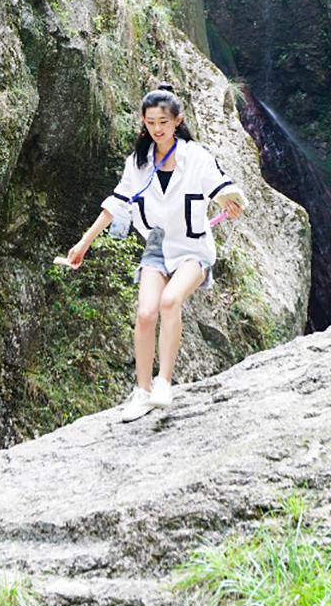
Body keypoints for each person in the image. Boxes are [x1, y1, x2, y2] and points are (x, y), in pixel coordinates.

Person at [65, 85, 245, 420]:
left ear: (177, 120)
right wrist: (84, 243)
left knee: (169, 301)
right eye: (150, 122)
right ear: (143, 123)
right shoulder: (138, 164)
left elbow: (221, 188)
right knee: (146, 314)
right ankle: (142, 390)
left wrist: (230, 203)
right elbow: (116, 205)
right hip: (158, 245)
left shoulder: (197, 157)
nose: (157, 128)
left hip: (193, 247)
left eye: (163, 121)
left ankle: (164, 383)